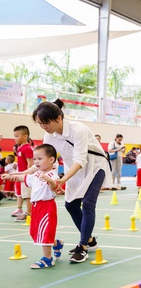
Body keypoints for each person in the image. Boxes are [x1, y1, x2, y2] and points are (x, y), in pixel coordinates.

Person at [31, 99, 112, 263]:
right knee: (71, 204)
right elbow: (47, 160)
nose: (44, 127)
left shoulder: (78, 129)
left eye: (46, 122)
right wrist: (28, 173)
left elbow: (81, 160)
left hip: (95, 166)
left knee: (88, 203)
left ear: (59, 118)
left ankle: (83, 247)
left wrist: (62, 180)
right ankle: (90, 240)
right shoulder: (49, 135)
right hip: (73, 169)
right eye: (40, 123)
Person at [1, 144, 63, 269]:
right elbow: (23, 177)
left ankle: (48, 259)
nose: (36, 162)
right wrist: (11, 177)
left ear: (51, 160)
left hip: (46, 206)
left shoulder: (52, 175)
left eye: (40, 159)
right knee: (36, 232)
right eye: (35, 159)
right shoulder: (36, 175)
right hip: (36, 207)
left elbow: (54, 187)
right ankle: (57, 243)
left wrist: (49, 180)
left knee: (44, 232)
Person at [13, 125, 33, 222]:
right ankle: (27, 211)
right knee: (24, 194)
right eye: (14, 136)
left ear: (25, 136)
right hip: (21, 175)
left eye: (17, 136)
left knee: (28, 195)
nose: (15, 138)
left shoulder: (27, 148)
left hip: (26, 176)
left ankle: (29, 213)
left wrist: (27, 175)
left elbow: (30, 162)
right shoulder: (20, 148)